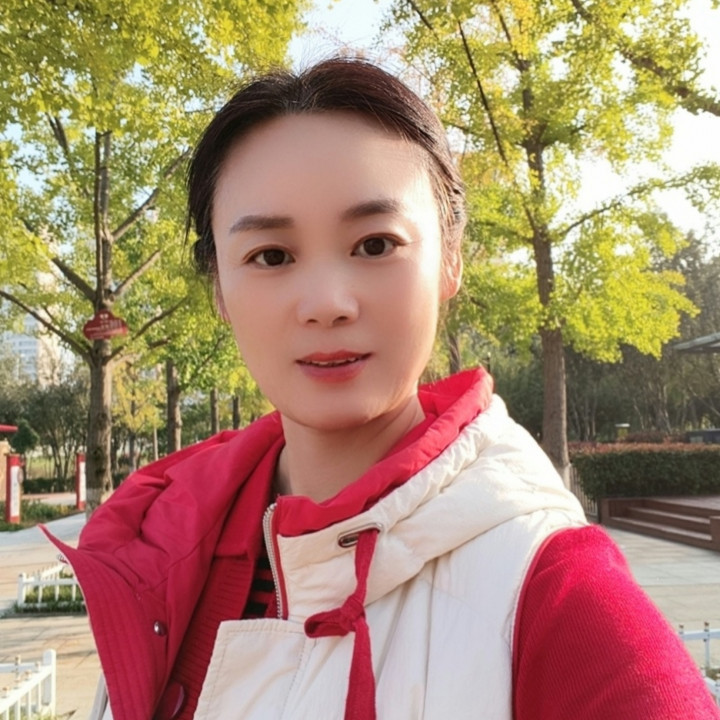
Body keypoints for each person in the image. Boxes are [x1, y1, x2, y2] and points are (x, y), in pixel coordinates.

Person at [46, 58, 719, 720]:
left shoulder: (552, 590)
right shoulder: (161, 552)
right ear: (219, 286)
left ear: (450, 258)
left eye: (374, 245)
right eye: (271, 256)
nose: (327, 303)